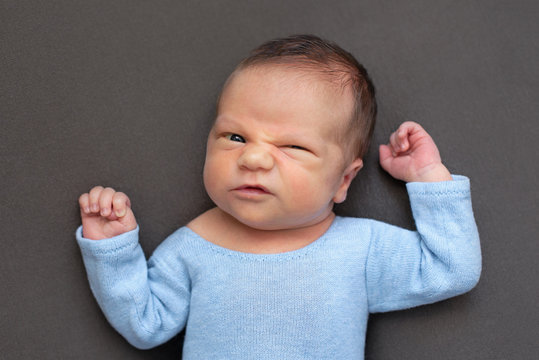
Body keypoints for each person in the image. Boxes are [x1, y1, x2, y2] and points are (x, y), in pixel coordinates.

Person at [76, 35, 481, 359]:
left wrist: (428, 177)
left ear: (344, 180)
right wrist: (114, 251)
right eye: (235, 137)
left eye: (292, 147)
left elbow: (451, 268)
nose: (252, 157)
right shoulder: (192, 249)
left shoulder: (360, 250)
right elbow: (145, 325)